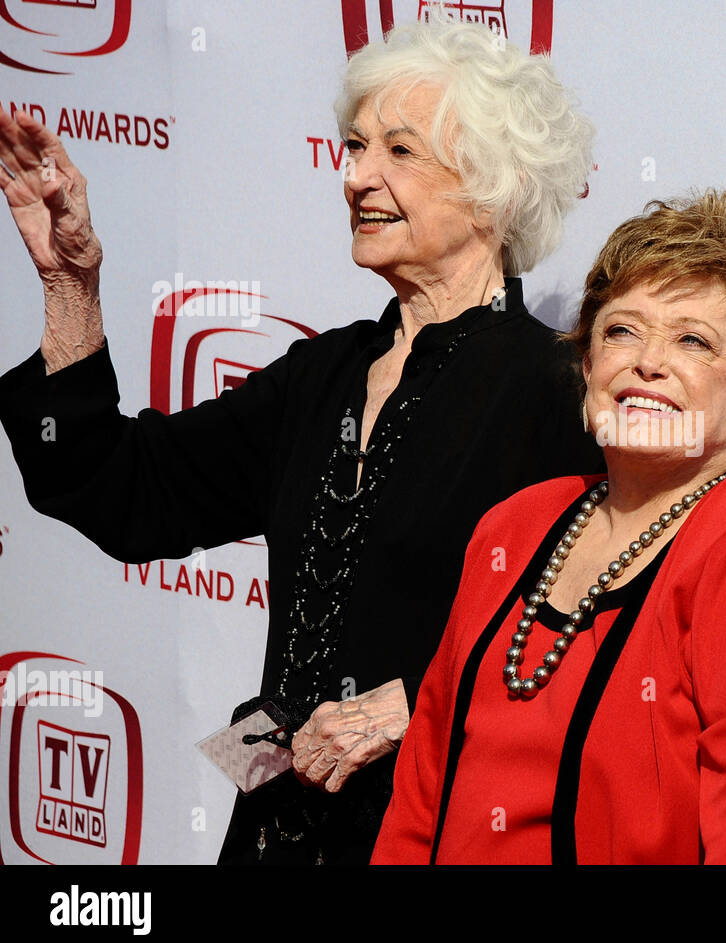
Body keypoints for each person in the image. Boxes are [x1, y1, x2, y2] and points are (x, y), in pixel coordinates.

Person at [0, 18, 603, 864]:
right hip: (272, 836)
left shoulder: (560, 391)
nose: (357, 176)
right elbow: (120, 489)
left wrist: (418, 703)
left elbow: (599, 640)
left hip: (440, 837)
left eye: (399, 151)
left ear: (493, 187)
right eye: (354, 147)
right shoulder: (321, 375)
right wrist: (70, 283)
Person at [372, 190, 726, 864]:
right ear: (587, 364)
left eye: (693, 339)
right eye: (621, 330)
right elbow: (422, 790)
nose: (647, 361)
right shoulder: (512, 527)